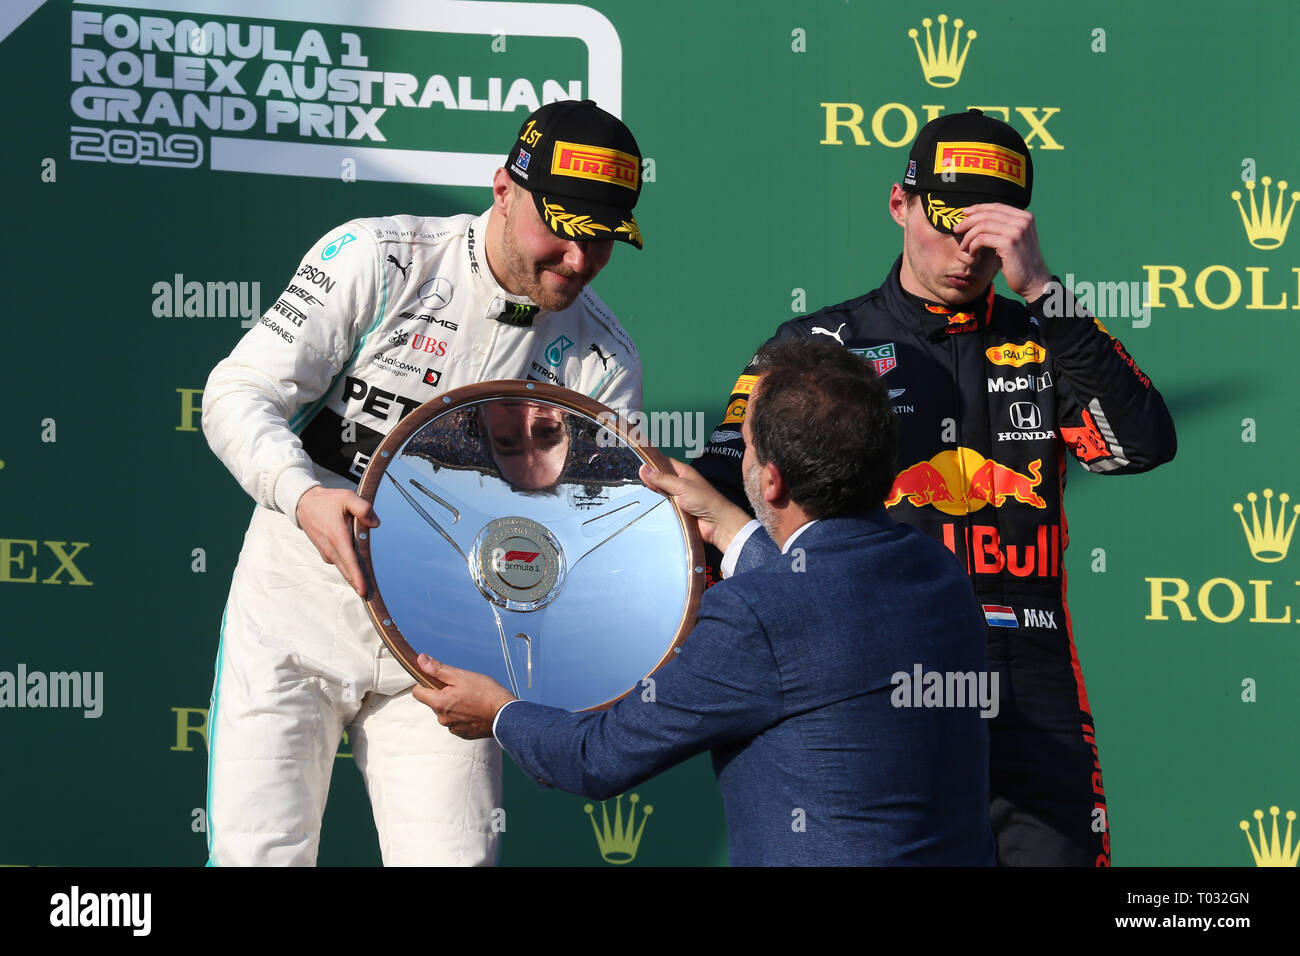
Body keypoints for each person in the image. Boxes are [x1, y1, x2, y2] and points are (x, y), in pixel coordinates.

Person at [695, 110, 1177, 866]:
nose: (965, 251)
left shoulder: (1043, 338)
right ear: (901, 205)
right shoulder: (819, 347)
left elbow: (1140, 444)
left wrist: (1046, 291)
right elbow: (721, 479)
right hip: (874, 666)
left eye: (990, 234)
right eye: (949, 221)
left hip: (1028, 670)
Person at [201, 99, 646, 866]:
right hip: (294, 604)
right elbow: (237, 394)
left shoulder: (602, 362)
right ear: (504, 188)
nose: (579, 261)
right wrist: (301, 494)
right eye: (565, 230)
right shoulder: (378, 259)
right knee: (258, 857)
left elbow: (585, 542)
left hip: (447, 648)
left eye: (604, 240)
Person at [414, 340, 997, 866]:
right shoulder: (938, 570)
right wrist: (727, 524)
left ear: (771, 481)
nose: (737, 459)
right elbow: (823, 609)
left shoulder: (754, 615)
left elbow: (597, 757)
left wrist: (500, 713)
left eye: (744, 447)